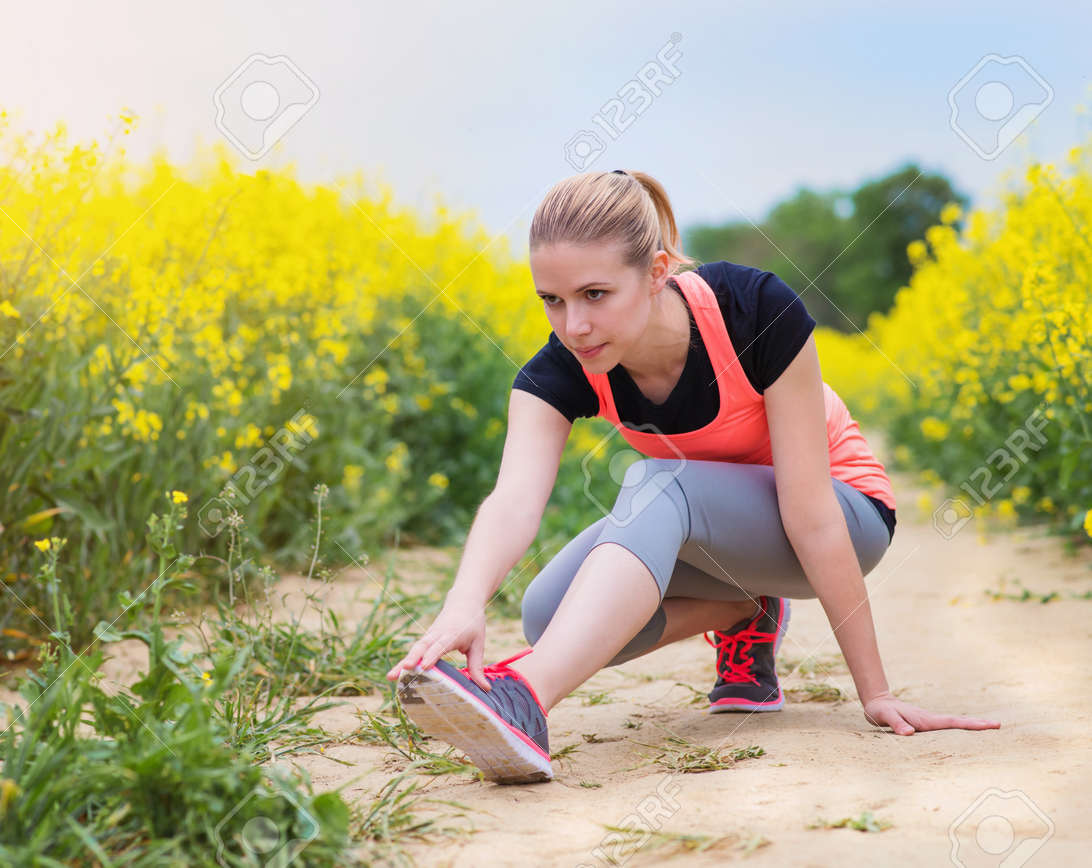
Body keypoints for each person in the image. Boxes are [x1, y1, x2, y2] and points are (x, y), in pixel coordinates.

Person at [385, 169, 1000, 785]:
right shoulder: (562, 368)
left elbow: (811, 515)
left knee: (657, 483)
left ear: (656, 273)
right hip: (715, 536)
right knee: (551, 617)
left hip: (844, 517)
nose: (574, 325)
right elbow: (514, 499)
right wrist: (463, 603)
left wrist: (875, 692)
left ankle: (527, 698)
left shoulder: (754, 309)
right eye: (553, 300)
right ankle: (742, 612)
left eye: (595, 294)